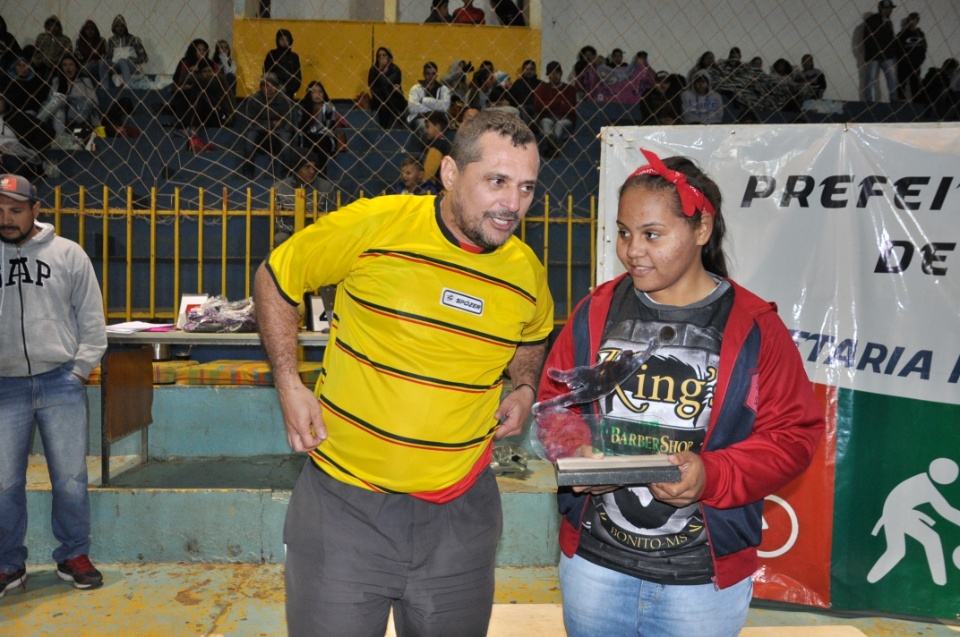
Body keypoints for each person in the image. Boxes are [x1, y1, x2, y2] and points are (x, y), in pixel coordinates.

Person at [253, 110, 553, 637]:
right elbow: (276, 277)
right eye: (497, 181)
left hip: (461, 517)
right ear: (451, 174)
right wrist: (288, 380)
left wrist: (525, 386)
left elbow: (533, 335)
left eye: (526, 188)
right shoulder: (376, 224)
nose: (512, 204)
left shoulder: (525, 270)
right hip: (345, 510)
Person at [536, 149, 824, 637]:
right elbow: (556, 400)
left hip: (701, 585)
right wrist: (576, 451)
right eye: (625, 233)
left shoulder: (753, 327)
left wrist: (712, 474)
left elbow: (793, 435)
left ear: (701, 230)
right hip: (595, 568)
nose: (633, 250)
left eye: (652, 234)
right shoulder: (595, 311)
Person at [0, 173, 108, 598]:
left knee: (69, 478)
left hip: (61, 382)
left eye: (15, 210)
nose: (6, 219)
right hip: (4, 386)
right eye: (0, 211)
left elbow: (93, 321)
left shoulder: (68, 254)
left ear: (35, 209)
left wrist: (79, 371)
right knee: (4, 483)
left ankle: (73, 555)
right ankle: (9, 564)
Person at [237, 72, 297, 178]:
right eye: (265, 86)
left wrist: (269, 125)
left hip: (280, 130)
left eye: (272, 85)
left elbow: (288, 124)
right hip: (259, 131)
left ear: (277, 87)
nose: (269, 89)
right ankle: (248, 171)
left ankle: (287, 172)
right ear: (261, 88)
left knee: (286, 139)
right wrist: (272, 124)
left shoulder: (285, 101)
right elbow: (250, 123)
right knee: (249, 138)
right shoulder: (253, 100)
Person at [39, 52, 99, 150]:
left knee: (60, 99)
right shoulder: (57, 81)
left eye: (71, 65)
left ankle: (37, 122)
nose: (68, 68)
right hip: (59, 117)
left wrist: (73, 99)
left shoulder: (85, 81)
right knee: (59, 107)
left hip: (78, 114)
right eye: (65, 65)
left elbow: (95, 102)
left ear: (76, 67)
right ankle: (63, 140)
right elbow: (49, 102)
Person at [297, 80, 347, 179]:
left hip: (326, 138)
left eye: (320, 91)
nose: (317, 94)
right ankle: (306, 176)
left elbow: (327, 127)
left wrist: (313, 129)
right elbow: (302, 128)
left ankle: (321, 176)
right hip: (309, 139)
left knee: (320, 140)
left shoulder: (329, 107)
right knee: (310, 140)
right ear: (309, 94)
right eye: (314, 92)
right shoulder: (303, 108)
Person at [534, 61, 577, 157]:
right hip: (547, 117)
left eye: (557, 73)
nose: (554, 76)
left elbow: (570, 108)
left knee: (560, 124)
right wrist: (557, 102)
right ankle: (554, 146)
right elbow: (538, 107)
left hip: (565, 118)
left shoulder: (569, 89)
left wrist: (548, 105)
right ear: (548, 75)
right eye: (551, 73)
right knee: (545, 122)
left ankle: (551, 146)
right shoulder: (542, 89)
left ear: (561, 73)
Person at [862, 0, 899, 102]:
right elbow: (867, 39)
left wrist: (892, 54)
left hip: (887, 56)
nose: (891, 11)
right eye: (889, 8)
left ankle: (894, 98)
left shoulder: (889, 22)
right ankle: (869, 100)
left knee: (891, 78)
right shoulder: (872, 20)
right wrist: (870, 54)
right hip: (874, 56)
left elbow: (891, 39)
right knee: (871, 78)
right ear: (883, 8)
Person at [101, 14, 148, 88]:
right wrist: (105, 57)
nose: (120, 29)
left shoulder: (133, 39)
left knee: (122, 61)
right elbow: (109, 56)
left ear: (125, 27)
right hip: (117, 66)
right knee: (102, 63)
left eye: (122, 26)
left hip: (131, 66)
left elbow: (144, 58)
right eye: (117, 26)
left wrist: (132, 60)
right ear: (114, 28)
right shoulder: (111, 40)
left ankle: (127, 86)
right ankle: (104, 88)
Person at [406, 61, 451, 134]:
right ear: (423, 74)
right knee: (423, 127)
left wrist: (424, 100)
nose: (430, 77)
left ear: (436, 75)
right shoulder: (415, 88)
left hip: (439, 119)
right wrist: (434, 109)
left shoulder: (444, 89)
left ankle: (439, 144)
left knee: (440, 127)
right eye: (428, 74)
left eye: (433, 74)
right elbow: (412, 107)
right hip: (420, 117)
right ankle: (426, 145)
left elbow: (445, 106)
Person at [367, 46, 406, 129]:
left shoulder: (395, 70)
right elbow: (372, 87)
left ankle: (386, 128)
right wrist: (380, 70)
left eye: (384, 55)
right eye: (379, 56)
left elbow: (388, 82)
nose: (381, 57)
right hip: (379, 97)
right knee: (383, 99)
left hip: (394, 97)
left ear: (389, 57)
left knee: (387, 96)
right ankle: (396, 113)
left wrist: (380, 73)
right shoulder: (373, 70)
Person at [263, 28, 301, 100]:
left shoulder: (294, 57)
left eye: (287, 40)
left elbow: (297, 77)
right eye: (282, 39)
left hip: (289, 94)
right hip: (272, 93)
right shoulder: (272, 54)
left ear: (290, 41)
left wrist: (289, 89)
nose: (284, 42)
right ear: (278, 40)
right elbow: (267, 72)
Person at [896, 12, 926, 102]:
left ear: (917, 21)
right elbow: (896, 48)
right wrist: (901, 60)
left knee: (915, 85)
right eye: (910, 20)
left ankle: (916, 103)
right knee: (902, 84)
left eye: (913, 20)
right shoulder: (902, 34)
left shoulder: (920, 34)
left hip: (916, 64)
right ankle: (899, 102)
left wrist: (920, 60)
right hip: (904, 64)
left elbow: (924, 48)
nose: (911, 22)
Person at [34, 16, 72, 81]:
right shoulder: (41, 37)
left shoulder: (65, 40)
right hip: (41, 65)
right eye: (50, 25)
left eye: (55, 25)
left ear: (59, 27)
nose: (53, 27)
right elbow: (36, 51)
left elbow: (68, 56)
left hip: (57, 67)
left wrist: (58, 63)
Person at [421, 110, 451, 186]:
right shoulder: (445, 142)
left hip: (436, 189)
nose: (425, 130)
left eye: (427, 126)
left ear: (437, 127)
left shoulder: (437, 145)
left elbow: (428, 172)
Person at [74, 20, 107, 86]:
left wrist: (95, 62)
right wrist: (88, 63)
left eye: (92, 29)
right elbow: (78, 55)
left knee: (96, 68)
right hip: (84, 66)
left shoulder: (101, 41)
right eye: (87, 29)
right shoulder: (80, 42)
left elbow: (105, 54)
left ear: (95, 30)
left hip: (98, 65)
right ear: (84, 30)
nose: (90, 31)